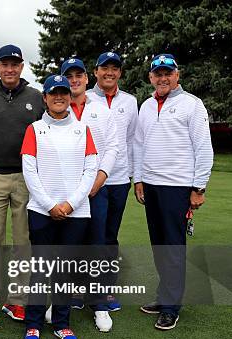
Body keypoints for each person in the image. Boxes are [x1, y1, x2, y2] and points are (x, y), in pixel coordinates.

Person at [133, 54, 213, 330]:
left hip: (178, 187)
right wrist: (139, 179)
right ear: (151, 77)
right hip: (152, 185)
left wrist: (198, 187)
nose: (163, 78)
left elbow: (203, 147)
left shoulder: (192, 104)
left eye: (168, 73)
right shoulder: (146, 105)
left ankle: (171, 307)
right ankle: (164, 296)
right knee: (159, 246)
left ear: (177, 75)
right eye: (158, 73)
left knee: (173, 247)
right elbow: (139, 145)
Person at [20, 75, 97, 339]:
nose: (59, 97)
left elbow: (90, 171)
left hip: (75, 212)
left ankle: (62, 324)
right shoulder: (34, 129)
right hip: (42, 210)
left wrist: (70, 204)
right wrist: (50, 205)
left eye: (63, 93)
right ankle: (33, 324)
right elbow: (29, 171)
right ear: (45, 98)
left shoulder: (83, 129)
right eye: (54, 93)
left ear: (69, 96)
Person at [0, 45, 44, 326]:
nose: (10, 69)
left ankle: (17, 300)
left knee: (22, 241)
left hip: (25, 177)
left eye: (14, 64)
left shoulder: (36, 97)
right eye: (5, 64)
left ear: (22, 66)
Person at [61, 57, 118, 332]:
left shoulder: (101, 110)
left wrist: (100, 178)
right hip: (67, 192)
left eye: (78, 75)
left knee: (97, 246)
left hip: (97, 189)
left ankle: (99, 305)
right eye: (69, 76)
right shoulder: (56, 109)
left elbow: (113, 148)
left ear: (87, 78)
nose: (74, 80)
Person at [86, 52, 139, 312]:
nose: (109, 72)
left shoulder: (130, 101)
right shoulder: (83, 98)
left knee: (109, 237)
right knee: (88, 236)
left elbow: (131, 141)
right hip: (90, 180)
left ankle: (105, 291)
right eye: (104, 68)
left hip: (118, 180)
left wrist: (134, 175)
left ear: (119, 72)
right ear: (95, 72)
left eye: (114, 68)